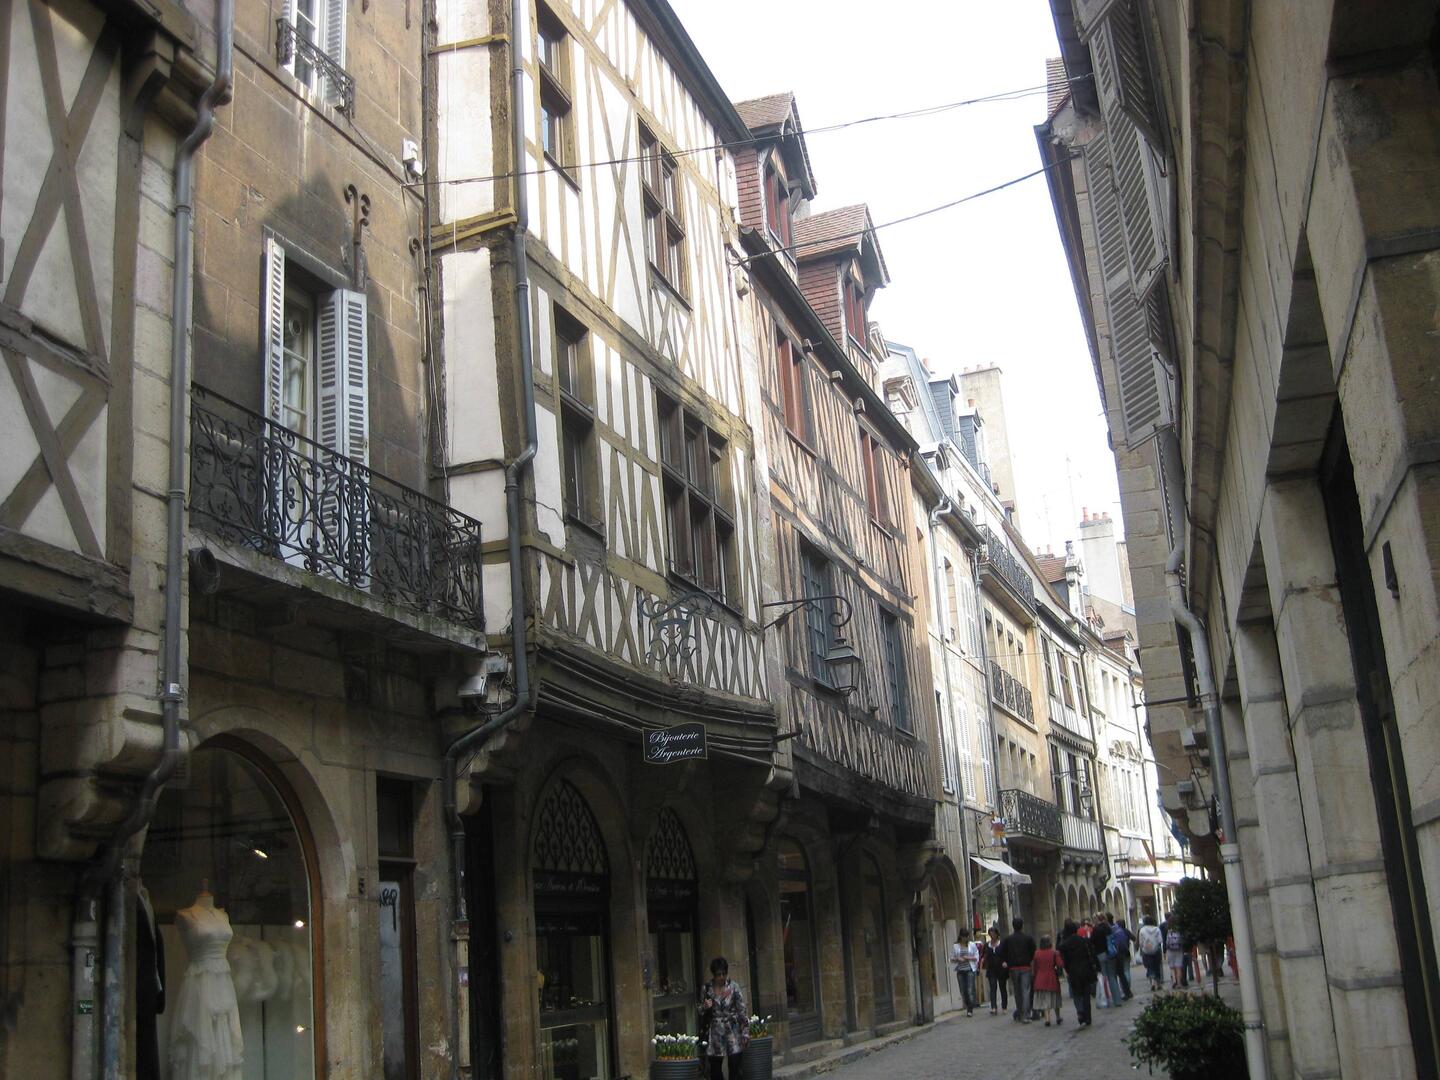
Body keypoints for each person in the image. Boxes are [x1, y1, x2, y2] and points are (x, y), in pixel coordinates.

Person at [700, 957, 749, 1079]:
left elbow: (742, 1010)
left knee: (735, 1064)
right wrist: (705, 1006)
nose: (721, 977)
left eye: (724, 974)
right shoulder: (707, 988)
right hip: (715, 1032)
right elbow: (700, 1010)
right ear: (714, 975)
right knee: (715, 1068)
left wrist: (745, 1032)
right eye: (718, 974)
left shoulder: (733, 987)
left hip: (732, 1029)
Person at [996, 917, 1036, 1024]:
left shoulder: (1008, 940)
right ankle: (1026, 1015)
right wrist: (1029, 959)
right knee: (1026, 991)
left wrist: (1006, 960)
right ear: (1022, 926)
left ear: (1013, 926)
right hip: (1025, 967)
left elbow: (999, 951)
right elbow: (1033, 951)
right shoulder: (1028, 938)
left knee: (1017, 992)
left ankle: (1021, 1013)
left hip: (1013, 968)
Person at [1056, 920, 1096, 1027]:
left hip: (1073, 972)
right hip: (1085, 970)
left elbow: (1063, 957)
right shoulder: (1083, 941)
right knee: (1086, 994)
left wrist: (1066, 969)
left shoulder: (1065, 944)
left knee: (1076, 993)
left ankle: (1080, 1011)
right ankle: (1088, 1017)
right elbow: (1091, 954)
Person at [1031, 935, 1065, 1026]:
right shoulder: (1054, 953)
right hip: (1051, 977)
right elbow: (1060, 964)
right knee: (1055, 998)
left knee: (1045, 999)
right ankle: (1058, 1017)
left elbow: (1035, 968)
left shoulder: (1036, 953)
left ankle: (1047, 1019)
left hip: (1040, 978)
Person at [950, 930, 979, 1017]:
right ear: (960, 937)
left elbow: (976, 956)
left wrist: (968, 958)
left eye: (966, 937)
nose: (965, 939)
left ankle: (970, 1009)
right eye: (963, 937)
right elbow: (951, 958)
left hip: (970, 969)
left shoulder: (972, 945)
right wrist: (957, 959)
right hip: (960, 970)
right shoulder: (956, 946)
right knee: (963, 990)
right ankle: (968, 1004)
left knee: (969, 989)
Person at [1090, 913, 1115, 1008]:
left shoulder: (1096, 929)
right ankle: (1115, 997)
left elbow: (1091, 942)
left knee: (1103, 976)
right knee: (1111, 976)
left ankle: (1106, 998)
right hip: (1110, 953)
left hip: (1100, 954)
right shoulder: (1109, 927)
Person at [983, 925, 1008, 1015]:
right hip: (991, 969)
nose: (992, 936)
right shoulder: (987, 945)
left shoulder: (1002, 944)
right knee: (993, 988)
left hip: (1001, 969)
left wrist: (1006, 962)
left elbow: (1007, 954)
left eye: (993, 934)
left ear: (997, 934)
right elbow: (984, 955)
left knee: (1002, 988)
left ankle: (1004, 1007)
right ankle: (993, 1007)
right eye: (990, 934)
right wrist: (984, 963)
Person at [1137, 915, 1165, 992]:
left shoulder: (1142, 930)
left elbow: (1140, 942)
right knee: (1157, 966)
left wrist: (1144, 947)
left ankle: (1152, 982)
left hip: (1146, 951)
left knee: (1150, 967)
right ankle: (1158, 984)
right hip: (1156, 950)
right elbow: (1160, 940)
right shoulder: (1157, 929)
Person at [1112, 917, 1134, 1000]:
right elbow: (1134, 938)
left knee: (1122, 972)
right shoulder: (1126, 931)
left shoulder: (1116, 932)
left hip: (1119, 954)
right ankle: (1128, 986)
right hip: (1126, 952)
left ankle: (1124, 989)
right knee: (1127, 970)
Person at [1165, 922, 1185, 989]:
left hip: (1170, 951)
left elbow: (1167, 942)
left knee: (1172, 967)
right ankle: (1179, 983)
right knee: (1178, 967)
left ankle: (1174, 981)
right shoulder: (1180, 930)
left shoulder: (1169, 931)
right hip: (1179, 950)